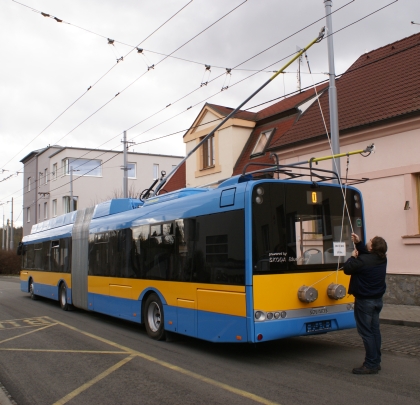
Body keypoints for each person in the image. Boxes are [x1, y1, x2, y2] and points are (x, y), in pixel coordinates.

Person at [343, 232, 387, 375]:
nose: (368, 241)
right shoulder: (382, 258)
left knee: (366, 332)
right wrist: (359, 243)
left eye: (370, 241)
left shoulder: (363, 261)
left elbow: (347, 269)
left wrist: (351, 257)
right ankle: (376, 361)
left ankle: (370, 364)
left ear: (372, 248)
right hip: (377, 300)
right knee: (374, 331)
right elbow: (366, 255)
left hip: (365, 301)